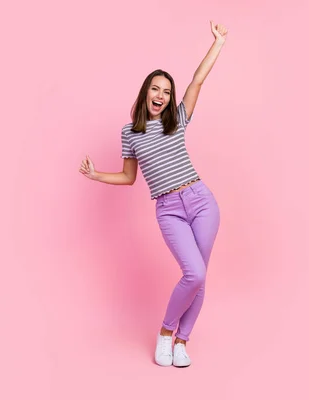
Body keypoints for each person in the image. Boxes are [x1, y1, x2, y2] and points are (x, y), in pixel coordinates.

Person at [79, 21, 228, 367]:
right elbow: (130, 177)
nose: (161, 96)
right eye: (155, 90)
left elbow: (197, 81)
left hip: (202, 201)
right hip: (169, 209)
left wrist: (218, 44)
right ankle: (166, 332)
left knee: (200, 276)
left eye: (166, 91)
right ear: (146, 92)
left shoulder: (177, 119)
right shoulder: (130, 133)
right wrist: (96, 174)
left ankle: (182, 341)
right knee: (195, 273)